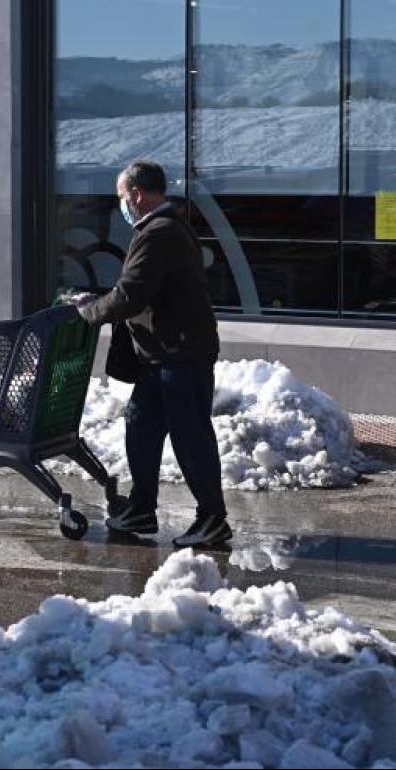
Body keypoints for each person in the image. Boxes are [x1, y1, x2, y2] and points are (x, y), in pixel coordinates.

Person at [75, 159, 232, 547]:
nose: (120, 206)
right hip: (162, 355)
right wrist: (98, 302)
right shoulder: (160, 228)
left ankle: (212, 519)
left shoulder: (160, 232)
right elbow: (139, 288)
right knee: (141, 426)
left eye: (121, 198)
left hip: (180, 353)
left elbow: (131, 294)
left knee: (190, 437)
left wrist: (86, 316)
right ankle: (142, 509)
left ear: (137, 194)